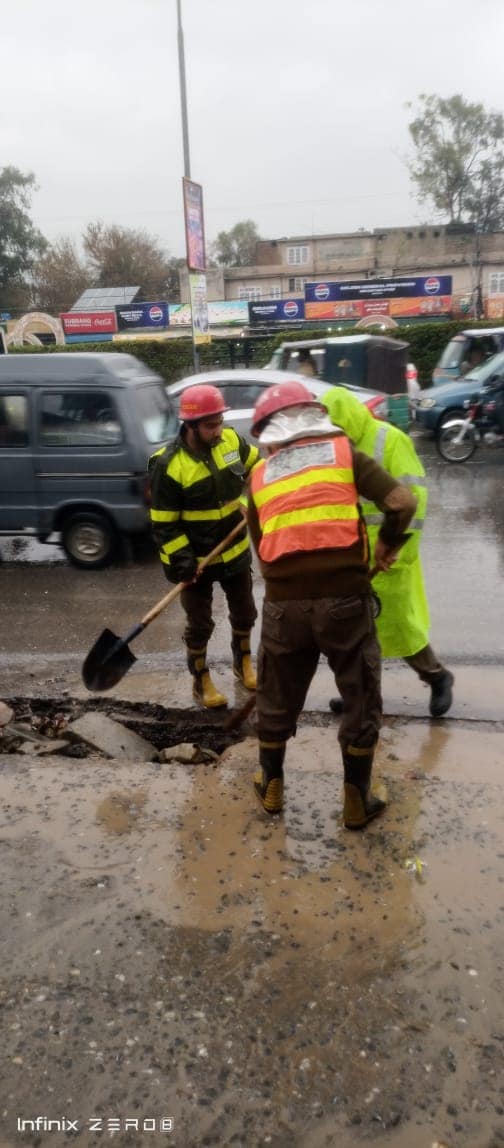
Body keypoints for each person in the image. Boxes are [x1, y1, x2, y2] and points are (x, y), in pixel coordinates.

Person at [246, 380, 417, 830]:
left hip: (283, 606)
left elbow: (262, 547)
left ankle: (270, 785)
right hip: (345, 600)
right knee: (360, 696)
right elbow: (402, 502)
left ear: (270, 432)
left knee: (276, 697)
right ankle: (356, 800)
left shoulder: (259, 477)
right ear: (314, 417)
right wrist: (385, 545)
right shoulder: (344, 454)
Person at [322, 387, 454, 718]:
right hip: (353, 555)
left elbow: (415, 499)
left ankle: (437, 677)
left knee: (400, 627)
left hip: (390, 554)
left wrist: (397, 548)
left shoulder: (389, 440)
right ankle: (361, 697)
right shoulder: (336, 448)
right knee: (356, 634)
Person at [149, 384, 259, 708]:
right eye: (211, 425)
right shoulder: (167, 464)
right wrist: (182, 561)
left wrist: (254, 498)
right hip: (196, 561)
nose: (218, 430)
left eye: (220, 422)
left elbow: (257, 469)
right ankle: (201, 680)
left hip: (235, 552)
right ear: (190, 425)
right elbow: (164, 523)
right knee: (200, 625)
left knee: (245, 613)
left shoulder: (232, 441)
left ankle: (243, 663)